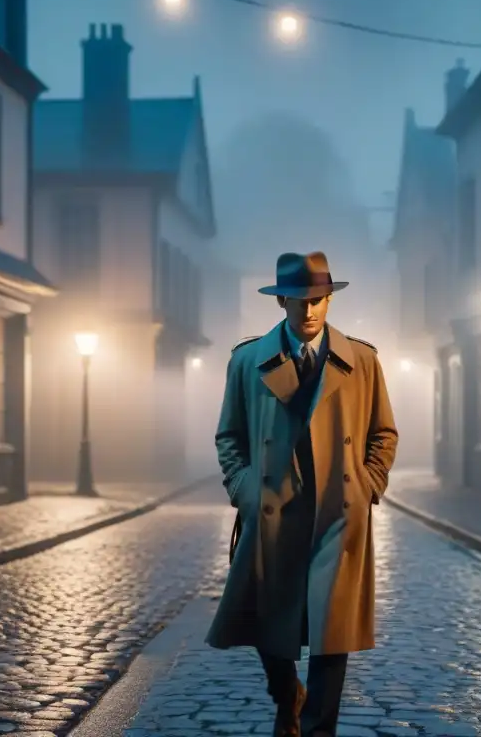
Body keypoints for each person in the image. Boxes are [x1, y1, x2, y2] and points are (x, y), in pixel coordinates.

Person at [206, 251, 399, 737]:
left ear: (329, 299)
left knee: (332, 632)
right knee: (268, 620)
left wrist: (368, 485)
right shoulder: (248, 361)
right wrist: (244, 489)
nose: (309, 311)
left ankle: (318, 730)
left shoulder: (363, 360)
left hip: (338, 512)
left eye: (318, 300)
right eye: (298, 300)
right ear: (282, 303)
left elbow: (384, 434)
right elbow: (229, 436)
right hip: (275, 508)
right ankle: (285, 690)